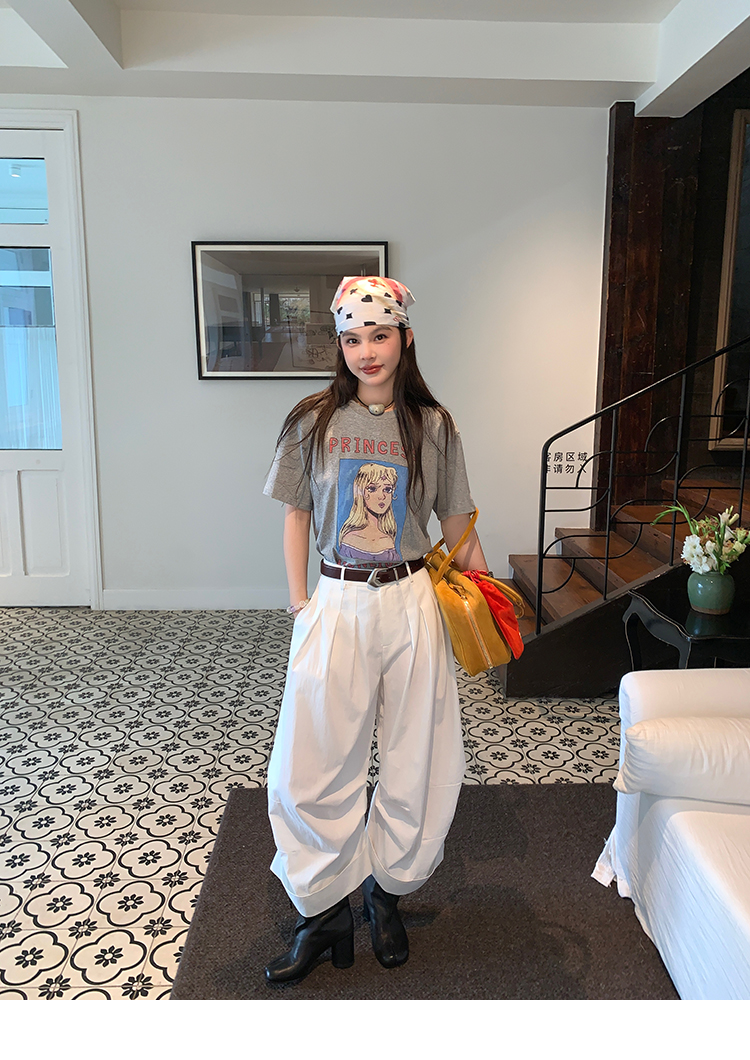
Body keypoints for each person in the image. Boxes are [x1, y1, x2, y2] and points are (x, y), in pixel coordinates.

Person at [262, 275, 488, 984]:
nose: (367, 351)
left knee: (418, 752)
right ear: (340, 344)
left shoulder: (434, 425)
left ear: (405, 339)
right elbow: (297, 513)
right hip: (337, 599)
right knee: (311, 758)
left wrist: (492, 601)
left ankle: (385, 893)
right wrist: (300, 603)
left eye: (380, 335)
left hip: (412, 598)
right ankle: (324, 912)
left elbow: (458, 523)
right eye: (353, 338)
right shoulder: (313, 421)